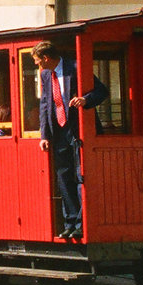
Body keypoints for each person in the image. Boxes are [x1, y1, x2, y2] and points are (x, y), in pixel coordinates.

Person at [33, 40, 108, 240]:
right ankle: (70, 222)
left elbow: (102, 91)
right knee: (64, 177)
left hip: (78, 131)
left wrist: (86, 99)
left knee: (80, 175)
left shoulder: (75, 67)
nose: (37, 65)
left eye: (38, 61)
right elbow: (45, 105)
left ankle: (82, 224)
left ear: (46, 58)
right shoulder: (45, 74)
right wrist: (44, 135)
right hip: (58, 132)